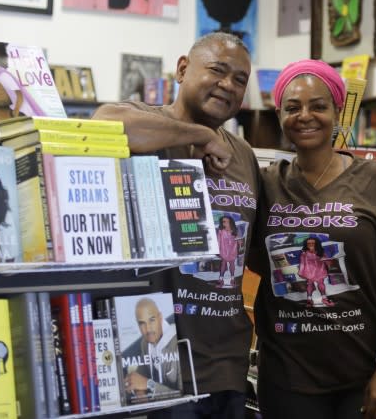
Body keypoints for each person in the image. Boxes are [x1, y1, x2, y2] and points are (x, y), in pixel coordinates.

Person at [92, 31, 260, 419]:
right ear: (183, 68)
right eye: (218, 70)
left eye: (240, 79)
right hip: (154, 356)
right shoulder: (147, 122)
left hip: (226, 362)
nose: (228, 85)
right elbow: (104, 122)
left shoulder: (243, 155)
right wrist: (200, 135)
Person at [248, 59, 376, 419]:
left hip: (364, 374)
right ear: (279, 115)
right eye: (292, 107)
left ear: (338, 111)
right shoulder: (265, 184)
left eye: (318, 106)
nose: (305, 116)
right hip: (286, 378)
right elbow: (254, 260)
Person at [124, 297, 181, 399]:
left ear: (160, 317)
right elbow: (142, 373)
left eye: (151, 320)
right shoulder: (144, 343)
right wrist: (139, 392)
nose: (148, 329)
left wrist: (149, 384)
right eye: (142, 323)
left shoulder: (178, 344)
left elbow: (181, 395)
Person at [216, 215, 239, 288]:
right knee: (223, 263)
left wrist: (239, 241)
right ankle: (221, 279)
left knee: (232, 264)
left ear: (230, 222)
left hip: (232, 250)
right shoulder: (221, 231)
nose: (225, 223)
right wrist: (217, 250)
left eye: (227, 222)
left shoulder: (234, 230)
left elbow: (238, 239)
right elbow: (218, 240)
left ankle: (232, 278)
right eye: (223, 222)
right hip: (224, 250)